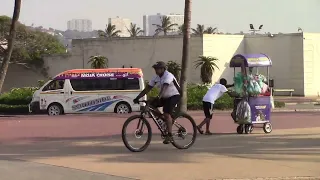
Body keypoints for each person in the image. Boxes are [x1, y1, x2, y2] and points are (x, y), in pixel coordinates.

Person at [133, 61, 181, 144]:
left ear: (163, 69)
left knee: (166, 113)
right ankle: (164, 121)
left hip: (175, 95)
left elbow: (165, 87)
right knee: (151, 105)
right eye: (155, 69)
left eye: (157, 69)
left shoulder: (168, 75)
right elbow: (147, 88)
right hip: (165, 96)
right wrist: (138, 97)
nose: (156, 70)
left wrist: (159, 97)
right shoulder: (156, 77)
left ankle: (170, 136)